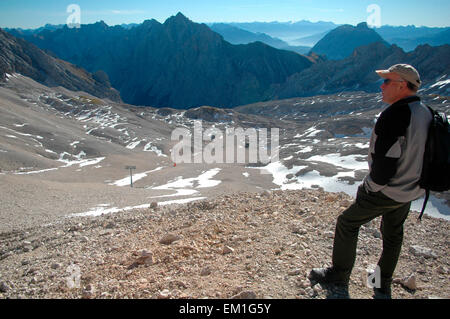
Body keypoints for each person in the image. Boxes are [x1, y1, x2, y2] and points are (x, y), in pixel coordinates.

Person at [308, 64, 432, 299]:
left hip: (389, 190)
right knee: (393, 233)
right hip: (411, 188)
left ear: (401, 85)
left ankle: (339, 274)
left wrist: (369, 188)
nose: (381, 86)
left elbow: (385, 165)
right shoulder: (425, 111)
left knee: (347, 222)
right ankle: (381, 284)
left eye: (387, 81)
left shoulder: (394, 116)